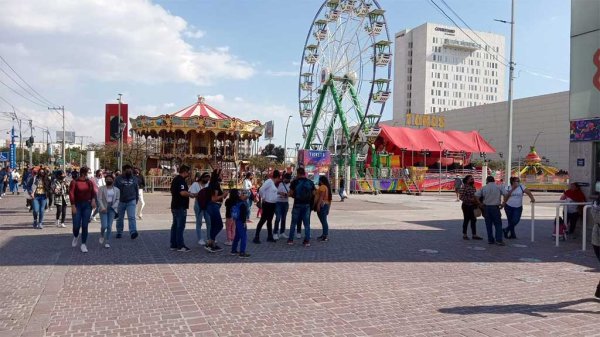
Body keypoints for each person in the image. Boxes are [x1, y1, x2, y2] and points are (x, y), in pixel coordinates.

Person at [69, 167, 96, 253]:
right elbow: (71, 194)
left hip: (87, 205)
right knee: (76, 226)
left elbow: (93, 193)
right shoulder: (74, 182)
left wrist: (93, 200)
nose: (90, 174)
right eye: (89, 172)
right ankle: (76, 236)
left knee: (85, 225)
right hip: (77, 205)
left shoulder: (90, 182)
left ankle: (83, 244)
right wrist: (73, 205)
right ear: (83, 173)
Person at [475, 176, 507, 246]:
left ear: (487, 181)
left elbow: (476, 196)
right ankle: (498, 240)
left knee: (488, 224)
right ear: (493, 180)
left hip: (486, 208)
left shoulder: (484, 187)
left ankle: (490, 240)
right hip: (495, 208)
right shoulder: (499, 187)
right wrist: (503, 203)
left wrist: (480, 203)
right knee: (498, 224)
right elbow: (506, 194)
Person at [287, 167, 315, 247]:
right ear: (304, 173)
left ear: (298, 173)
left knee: (293, 223)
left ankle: (290, 240)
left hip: (297, 205)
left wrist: (291, 195)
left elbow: (290, 193)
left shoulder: (294, 182)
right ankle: (307, 241)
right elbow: (314, 193)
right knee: (306, 224)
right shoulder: (310, 182)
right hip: (307, 205)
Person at [253, 170, 281, 244]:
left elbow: (271, 192)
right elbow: (261, 189)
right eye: (279, 178)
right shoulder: (269, 181)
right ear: (277, 177)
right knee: (263, 220)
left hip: (272, 204)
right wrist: (264, 198)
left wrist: (279, 194)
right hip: (267, 204)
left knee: (269, 221)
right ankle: (256, 236)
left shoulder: (273, 183)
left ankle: (269, 236)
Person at [205, 169, 228, 252]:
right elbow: (214, 199)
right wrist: (223, 195)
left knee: (214, 225)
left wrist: (223, 195)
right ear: (217, 175)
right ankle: (210, 242)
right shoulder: (215, 184)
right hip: (213, 206)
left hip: (213, 206)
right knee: (219, 225)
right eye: (221, 174)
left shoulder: (214, 184)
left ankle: (212, 244)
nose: (223, 175)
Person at [115, 164, 139, 240]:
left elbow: (136, 189)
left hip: (131, 200)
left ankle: (133, 232)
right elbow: (115, 190)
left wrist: (136, 199)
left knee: (132, 217)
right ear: (123, 170)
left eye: (130, 169)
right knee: (120, 218)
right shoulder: (118, 179)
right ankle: (119, 232)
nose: (129, 171)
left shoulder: (134, 178)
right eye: (127, 169)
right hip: (121, 201)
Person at [170, 165, 191, 252]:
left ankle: (173, 244)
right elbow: (182, 193)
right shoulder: (181, 181)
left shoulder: (175, 179)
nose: (189, 174)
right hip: (180, 206)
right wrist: (191, 194)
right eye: (188, 172)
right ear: (185, 172)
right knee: (180, 226)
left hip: (175, 205)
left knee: (175, 225)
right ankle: (180, 245)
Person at [97, 174, 120, 249]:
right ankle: (102, 235)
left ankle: (107, 241)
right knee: (104, 225)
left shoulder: (117, 189)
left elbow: (117, 199)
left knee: (109, 226)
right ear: (105, 180)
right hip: (103, 208)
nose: (108, 180)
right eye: (107, 179)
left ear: (113, 180)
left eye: (110, 179)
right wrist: (103, 208)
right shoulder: (101, 188)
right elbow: (99, 199)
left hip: (112, 208)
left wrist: (114, 207)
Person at [189, 172, 211, 246]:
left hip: (207, 204)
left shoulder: (208, 184)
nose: (207, 180)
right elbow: (190, 194)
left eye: (208, 178)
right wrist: (199, 194)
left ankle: (209, 238)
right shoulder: (195, 184)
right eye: (206, 178)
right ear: (202, 178)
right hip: (198, 204)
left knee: (209, 221)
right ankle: (200, 238)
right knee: (199, 222)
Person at [459, 175, 482, 240]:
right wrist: (470, 199)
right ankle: (465, 235)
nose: (472, 180)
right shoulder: (464, 187)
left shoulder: (473, 187)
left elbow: (475, 195)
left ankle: (474, 235)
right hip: (466, 206)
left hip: (473, 206)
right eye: (471, 179)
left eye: (473, 179)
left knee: (474, 220)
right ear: (467, 180)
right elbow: (461, 197)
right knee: (466, 220)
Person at [230, 189, 251, 258]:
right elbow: (243, 215)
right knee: (244, 237)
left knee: (237, 236)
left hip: (237, 220)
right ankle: (242, 252)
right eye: (246, 195)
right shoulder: (243, 204)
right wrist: (244, 222)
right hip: (241, 222)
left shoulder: (237, 202)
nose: (247, 197)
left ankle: (233, 250)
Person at [274, 172, 291, 240]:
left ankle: (282, 232)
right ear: (284, 178)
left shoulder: (290, 184)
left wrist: (287, 194)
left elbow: (291, 193)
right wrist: (280, 193)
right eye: (287, 179)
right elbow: (274, 191)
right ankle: (275, 233)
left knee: (284, 218)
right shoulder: (279, 183)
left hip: (285, 202)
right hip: (278, 202)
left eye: (289, 179)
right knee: (278, 217)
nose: (288, 180)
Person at [316, 175, 332, 241]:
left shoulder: (322, 187)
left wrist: (318, 205)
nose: (318, 181)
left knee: (323, 221)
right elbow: (330, 200)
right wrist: (328, 209)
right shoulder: (327, 187)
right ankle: (324, 234)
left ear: (321, 181)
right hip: (326, 205)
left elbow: (321, 197)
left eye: (319, 180)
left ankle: (325, 235)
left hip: (322, 205)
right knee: (324, 220)